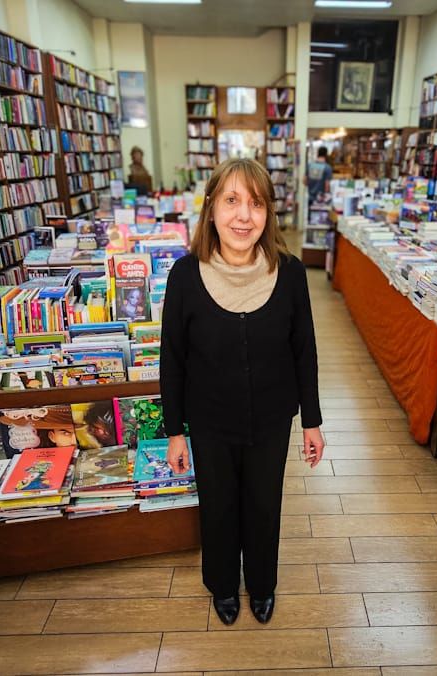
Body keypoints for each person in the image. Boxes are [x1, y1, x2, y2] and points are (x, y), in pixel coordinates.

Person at [160, 158, 324, 626]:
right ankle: (223, 586)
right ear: (211, 208)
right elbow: (171, 359)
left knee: (263, 503)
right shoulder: (185, 276)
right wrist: (176, 432)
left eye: (256, 203)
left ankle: (263, 584)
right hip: (209, 422)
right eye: (231, 201)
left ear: (269, 213)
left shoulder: (290, 273)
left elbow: (304, 351)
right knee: (218, 506)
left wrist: (311, 420)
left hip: (273, 419)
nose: (243, 216)